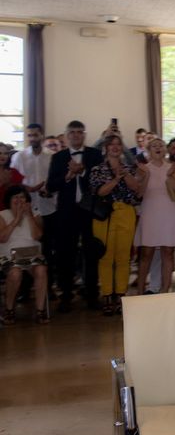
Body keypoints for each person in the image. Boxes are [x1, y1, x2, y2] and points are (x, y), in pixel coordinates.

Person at [46, 120, 103, 312]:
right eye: (73, 132)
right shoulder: (59, 157)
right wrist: (68, 176)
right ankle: (66, 296)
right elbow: (51, 185)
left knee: (91, 253)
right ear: (67, 135)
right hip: (66, 212)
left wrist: (83, 171)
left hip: (89, 211)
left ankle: (92, 294)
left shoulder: (94, 155)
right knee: (65, 254)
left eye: (80, 132)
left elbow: (100, 181)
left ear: (84, 135)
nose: (77, 135)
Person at [90, 134, 143, 315]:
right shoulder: (97, 169)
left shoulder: (128, 167)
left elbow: (136, 188)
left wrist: (124, 173)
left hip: (126, 213)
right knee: (105, 257)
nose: (115, 147)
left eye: (118, 144)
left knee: (123, 257)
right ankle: (106, 295)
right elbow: (100, 191)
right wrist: (115, 179)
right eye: (111, 144)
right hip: (105, 215)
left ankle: (120, 294)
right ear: (105, 147)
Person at [11, 124, 58, 298]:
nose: (33, 138)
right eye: (29, 135)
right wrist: (27, 189)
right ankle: (25, 288)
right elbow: (14, 183)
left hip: (48, 208)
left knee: (48, 250)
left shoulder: (52, 157)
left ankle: (48, 287)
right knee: (26, 247)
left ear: (42, 135)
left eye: (36, 135)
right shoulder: (19, 157)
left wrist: (47, 189)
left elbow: (55, 180)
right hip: (26, 210)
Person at [135, 138, 175, 294]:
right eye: (154, 146)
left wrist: (170, 176)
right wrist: (146, 175)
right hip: (150, 212)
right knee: (146, 253)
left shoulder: (172, 167)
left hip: (169, 212)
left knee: (167, 252)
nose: (158, 148)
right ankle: (140, 290)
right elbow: (139, 193)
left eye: (161, 146)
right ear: (149, 150)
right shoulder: (143, 168)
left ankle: (165, 289)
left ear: (165, 150)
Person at [0, 185, 49, 325]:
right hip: (9, 254)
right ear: (9, 199)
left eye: (22, 197)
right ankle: (9, 309)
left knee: (41, 269)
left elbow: (38, 235)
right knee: (15, 273)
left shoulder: (34, 214)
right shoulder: (2, 215)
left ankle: (40, 310)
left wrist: (29, 216)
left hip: (31, 252)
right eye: (15, 197)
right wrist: (16, 220)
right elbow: (2, 238)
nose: (19, 200)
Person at [0, 142, 24, 210]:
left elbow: (21, 192)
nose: (3, 156)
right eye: (0, 153)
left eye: (5, 153)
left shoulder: (13, 172)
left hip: (11, 211)